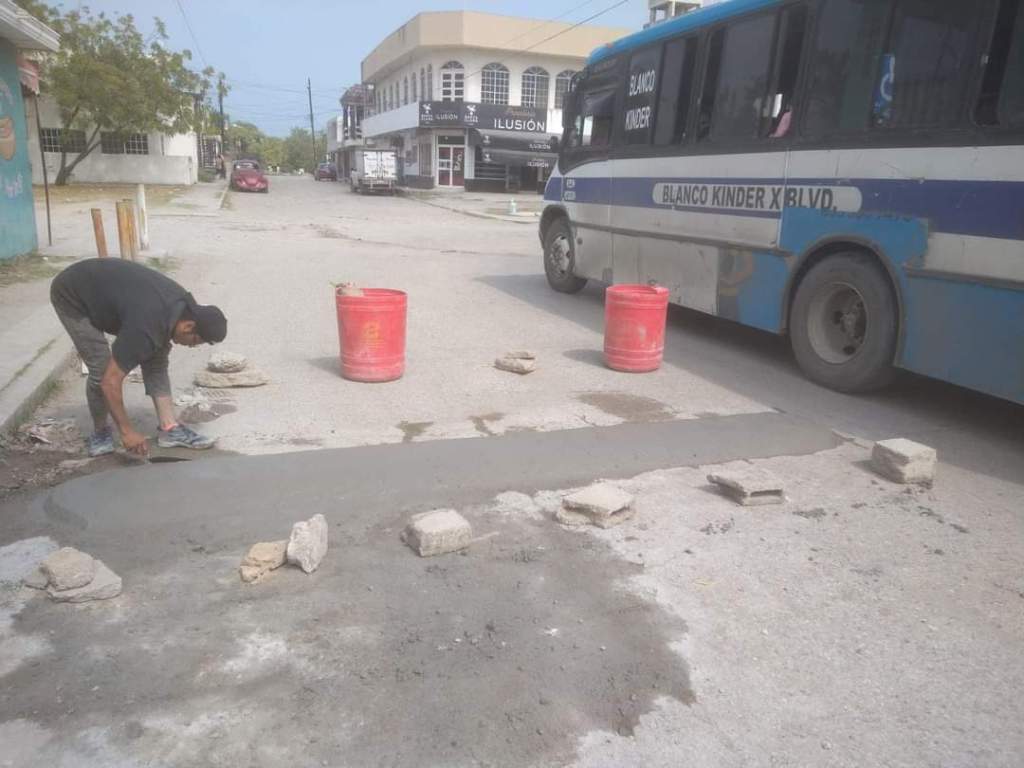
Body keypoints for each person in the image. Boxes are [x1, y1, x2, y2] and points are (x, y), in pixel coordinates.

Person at [50, 259, 227, 457]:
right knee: (101, 368)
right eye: (195, 341)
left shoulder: (180, 308)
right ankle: (100, 433)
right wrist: (127, 431)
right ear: (187, 326)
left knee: (156, 358)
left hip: (113, 294)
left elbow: (156, 365)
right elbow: (110, 382)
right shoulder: (147, 324)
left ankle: (170, 429)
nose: (192, 346)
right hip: (72, 294)